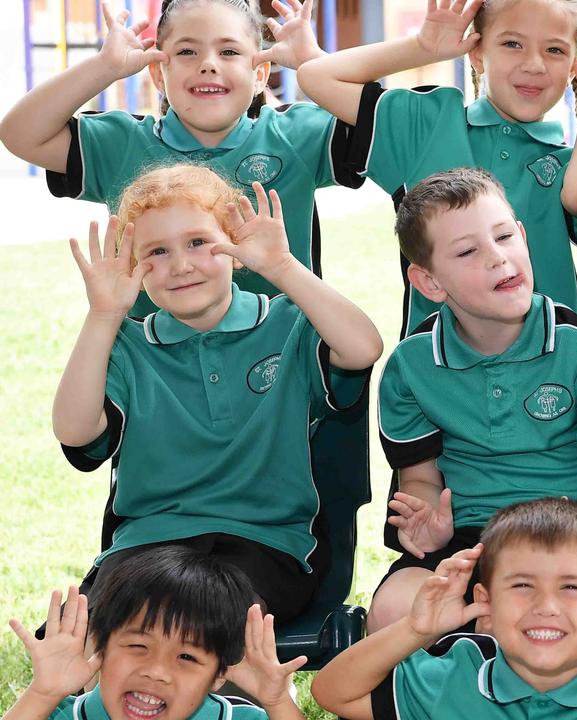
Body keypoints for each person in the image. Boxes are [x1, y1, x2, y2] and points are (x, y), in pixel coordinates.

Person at [52, 165, 382, 623]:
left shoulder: (290, 323)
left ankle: (232, 694)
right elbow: (75, 432)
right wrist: (103, 316)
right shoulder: (126, 345)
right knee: (95, 632)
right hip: (149, 540)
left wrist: (283, 267)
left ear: (235, 248)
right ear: (134, 267)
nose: (181, 265)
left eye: (198, 242)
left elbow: (364, 348)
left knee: (202, 619)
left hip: (267, 543)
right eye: (157, 252)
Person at [371, 167, 577, 631]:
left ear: (522, 236)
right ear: (430, 282)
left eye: (503, 237)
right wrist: (430, 521)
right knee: (394, 609)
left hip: (573, 533)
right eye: (468, 251)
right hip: (471, 540)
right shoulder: (411, 365)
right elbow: (420, 480)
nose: (499, 258)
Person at [0, 0, 361, 316]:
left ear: (260, 74)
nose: (208, 64)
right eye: (187, 52)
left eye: (230, 52)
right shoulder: (121, 144)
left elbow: (388, 121)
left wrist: (313, 62)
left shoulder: (296, 135)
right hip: (152, 375)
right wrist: (105, 67)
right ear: (158, 72)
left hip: (286, 368)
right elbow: (20, 134)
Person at [297, 0, 577, 331]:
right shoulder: (428, 123)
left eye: (555, 50)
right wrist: (423, 47)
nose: (534, 64)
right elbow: (316, 77)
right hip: (437, 372)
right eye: (512, 43)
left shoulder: (574, 162)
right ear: (477, 52)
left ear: (576, 64)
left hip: (555, 367)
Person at [310, 498, 577, 719]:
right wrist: (416, 628)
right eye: (522, 585)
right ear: (483, 604)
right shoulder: (456, 677)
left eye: (572, 587)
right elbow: (332, 692)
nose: (546, 606)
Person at [3, 546, 307, 720]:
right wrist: (43, 693)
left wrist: (277, 701)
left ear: (218, 676)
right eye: (138, 645)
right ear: (99, 647)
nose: (156, 671)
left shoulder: (236, 719)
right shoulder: (64, 715)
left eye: (186, 656)